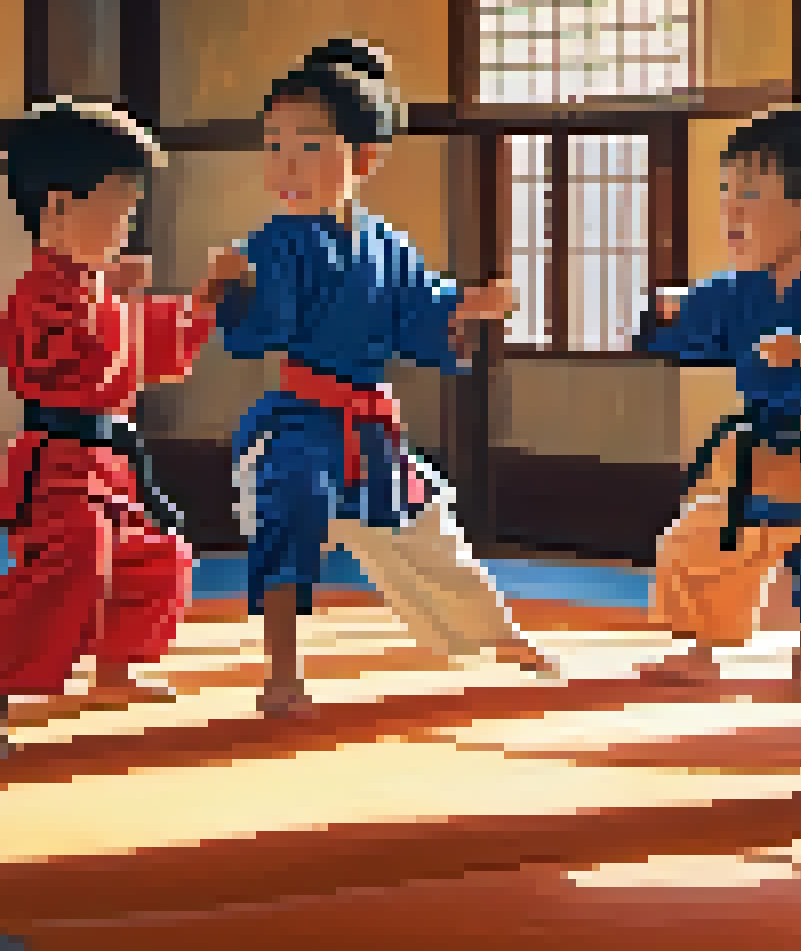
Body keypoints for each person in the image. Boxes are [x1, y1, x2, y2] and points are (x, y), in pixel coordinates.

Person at [220, 38, 556, 720]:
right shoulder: (275, 240)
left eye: (308, 146)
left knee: (430, 528)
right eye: (273, 144)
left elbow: (418, 309)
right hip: (301, 419)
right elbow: (268, 328)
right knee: (287, 524)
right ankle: (283, 674)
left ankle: (497, 632)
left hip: (367, 425)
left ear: (363, 158)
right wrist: (236, 291)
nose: (285, 162)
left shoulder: (383, 240)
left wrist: (468, 304)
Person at [0, 100, 228, 759]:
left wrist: (205, 301)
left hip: (112, 466)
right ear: (58, 210)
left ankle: (115, 669)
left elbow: (154, 352)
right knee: (69, 561)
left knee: (159, 557)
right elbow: (78, 360)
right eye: (120, 207)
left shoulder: (98, 290)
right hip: (58, 468)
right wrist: (123, 307)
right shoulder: (38, 293)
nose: (128, 224)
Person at [632, 109, 801, 701]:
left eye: (750, 194)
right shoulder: (735, 291)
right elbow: (694, 332)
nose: (731, 212)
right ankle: (702, 648)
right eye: (727, 192)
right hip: (761, 446)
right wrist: (667, 319)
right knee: (705, 542)